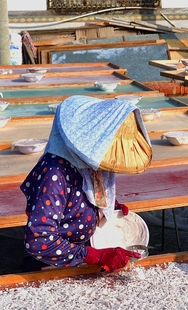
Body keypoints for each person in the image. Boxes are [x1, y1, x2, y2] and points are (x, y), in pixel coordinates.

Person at [21, 95, 153, 272]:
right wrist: (96, 256)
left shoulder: (90, 166)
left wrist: (109, 207)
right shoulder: (55, 174)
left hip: (82, 253)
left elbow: (85, 196)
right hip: (51, 262)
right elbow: (38, 241)